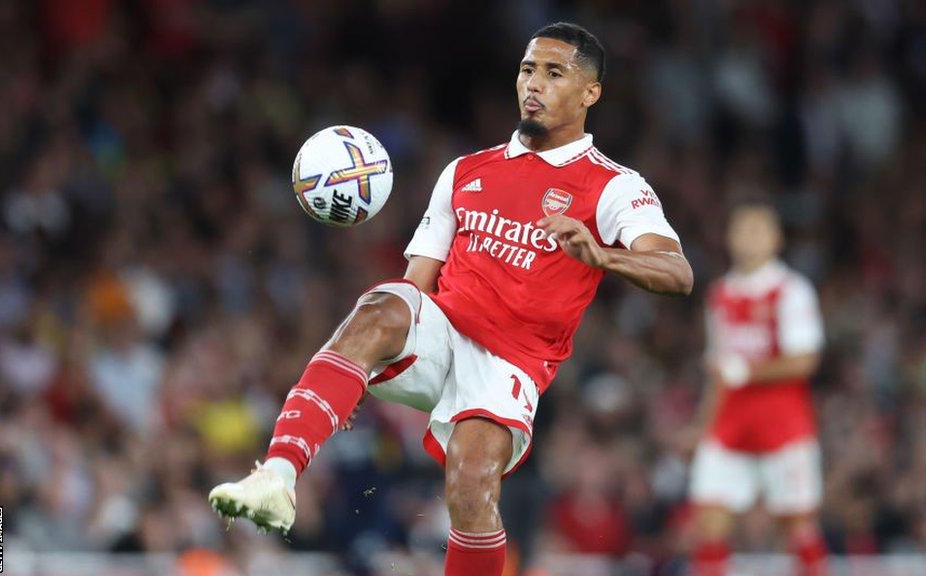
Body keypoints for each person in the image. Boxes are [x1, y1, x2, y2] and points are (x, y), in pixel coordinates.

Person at [208, 22, 693, 576]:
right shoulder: (466, 171)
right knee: (382, 304)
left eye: (554, 73)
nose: (533, 84)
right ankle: (278, 476)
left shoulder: (612, 186)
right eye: (527, 69)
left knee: (470, 481)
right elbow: (416, 285)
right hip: (443, 330)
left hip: (511, 361)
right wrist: (365, 359)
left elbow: (676, 273)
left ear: (590, 93)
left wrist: (604, 257)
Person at [689, 199, 827, 576]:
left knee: (798, 525)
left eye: (758, 229)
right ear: (730, 238)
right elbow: (718, 370)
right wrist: (701, 428)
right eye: (742, 229)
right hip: (730, 426)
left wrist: (747, 371)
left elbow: (805, 360)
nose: (750, 238)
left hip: (783, 427)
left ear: (776, 238)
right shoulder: (720, 294)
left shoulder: (791, 290)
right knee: (710, 523)